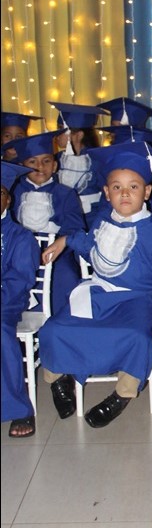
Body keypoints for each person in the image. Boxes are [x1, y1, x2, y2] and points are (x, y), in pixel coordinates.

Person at [38, 141, 152, 427]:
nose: (125, 193)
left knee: (136, 336)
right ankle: (59, 379)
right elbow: (92, 246)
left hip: (137, 299)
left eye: (134, 187)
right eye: (117, 187)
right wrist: (66, 240)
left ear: (147, 192)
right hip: (98, 292)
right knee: (54, 329)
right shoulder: (102, 220)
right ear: (107, 193)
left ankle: (122, 394)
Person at [4, 130, 86, 314]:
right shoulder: (14, 193)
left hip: (55, 251)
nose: (40, 166)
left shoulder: (65, 193)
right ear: (22, 166)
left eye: (46, 161)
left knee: (65, 274)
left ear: (55, 165)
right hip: (18, 251)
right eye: (32, 162)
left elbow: (75, 227)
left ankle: (59, 317)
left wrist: (61, 241)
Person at [1, 161, 40, 438]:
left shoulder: (21, 237)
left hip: (6, 302)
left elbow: (20, 280)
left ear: (8, 199)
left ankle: (18, 408)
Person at [51, 102, 107, 217]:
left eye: (61, 129)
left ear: (79, 135)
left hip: (92, 218)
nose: (57, 135)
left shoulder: (97, 160)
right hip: (63, 217)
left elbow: (106, 194)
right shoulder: (56, 159)